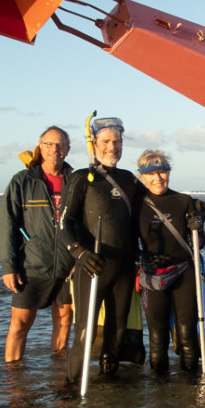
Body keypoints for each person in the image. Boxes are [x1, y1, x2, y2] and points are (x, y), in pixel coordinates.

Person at [59, 117, 144, 382]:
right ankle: (72, 389)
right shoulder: (82, 178)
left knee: (117, 331)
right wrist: (80, 253)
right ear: (94, 144)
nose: (112, 147)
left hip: (124, 268)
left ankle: (110, 385)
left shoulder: (129, 179)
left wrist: (191, 207)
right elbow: (63, 223)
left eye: (116, 142)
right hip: (92, 267)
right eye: (106, 141)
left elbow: (155, 204)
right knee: (85, 331)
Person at [0, 126, 75, 363]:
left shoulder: (76, 181)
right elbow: (7, 224)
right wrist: (9, 266)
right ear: (40, 147)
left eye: (60, 145)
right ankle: (13, 379)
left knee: (64, 320)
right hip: (31, 265)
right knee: (20, 324)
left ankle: (59, 375)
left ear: (68, 149)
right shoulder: (22, 182)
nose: (55, 150)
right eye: (49, 144)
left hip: (68, 267)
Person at [135, 150, 205, 374]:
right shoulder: (137, 205)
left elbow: (200, 242)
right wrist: (141, 257)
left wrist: (198, 224)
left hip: (183, 272)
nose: (157, 179)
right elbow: (129, 240)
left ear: (169, 173)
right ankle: (160, 389)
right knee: (157, 337)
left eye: (162, 172)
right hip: (151, 275)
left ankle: (192, 384)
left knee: (187, 333)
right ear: (142, 177)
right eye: (151, 174)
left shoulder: (183, 201)